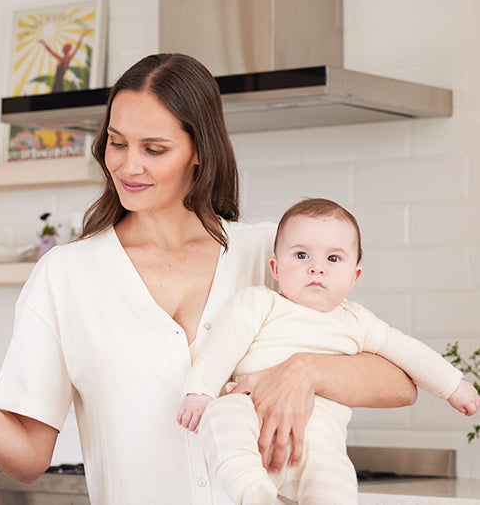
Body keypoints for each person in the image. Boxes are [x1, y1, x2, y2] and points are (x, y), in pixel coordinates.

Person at [0, 53, 417, 504]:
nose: (128, 165)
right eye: (117, 143)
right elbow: (27, 457)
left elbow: (401, 381)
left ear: (200, 151)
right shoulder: (67, 276)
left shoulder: (272, 253)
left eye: (154, 149)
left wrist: (306, 371)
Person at [176, 198, 480, 504]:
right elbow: (224, 342)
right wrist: (200, 390)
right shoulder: (259, 302)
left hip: (320, 440)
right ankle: (251, 491)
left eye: (333, 259)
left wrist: (453, 385)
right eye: (301, 255)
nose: (316, 268)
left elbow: (410, 353)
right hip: (251, 416)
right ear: (276, 267)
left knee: (335, 479)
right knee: (220, 413)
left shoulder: (358, 321)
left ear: (354, 277)